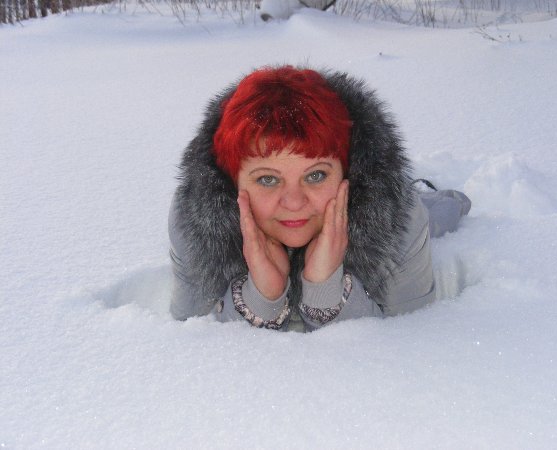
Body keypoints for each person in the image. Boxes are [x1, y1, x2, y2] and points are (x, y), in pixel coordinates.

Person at [168, 65, 470, 331]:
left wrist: (326, 293)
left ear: (346, 172)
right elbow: (193, 331)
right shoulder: (194, 223)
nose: (294, 202)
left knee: (433, 215)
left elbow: (409, 334)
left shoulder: (399, 216)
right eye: (268, 179)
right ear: (233, 182)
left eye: (315, 175)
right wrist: (260, 300)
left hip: (403, 210)